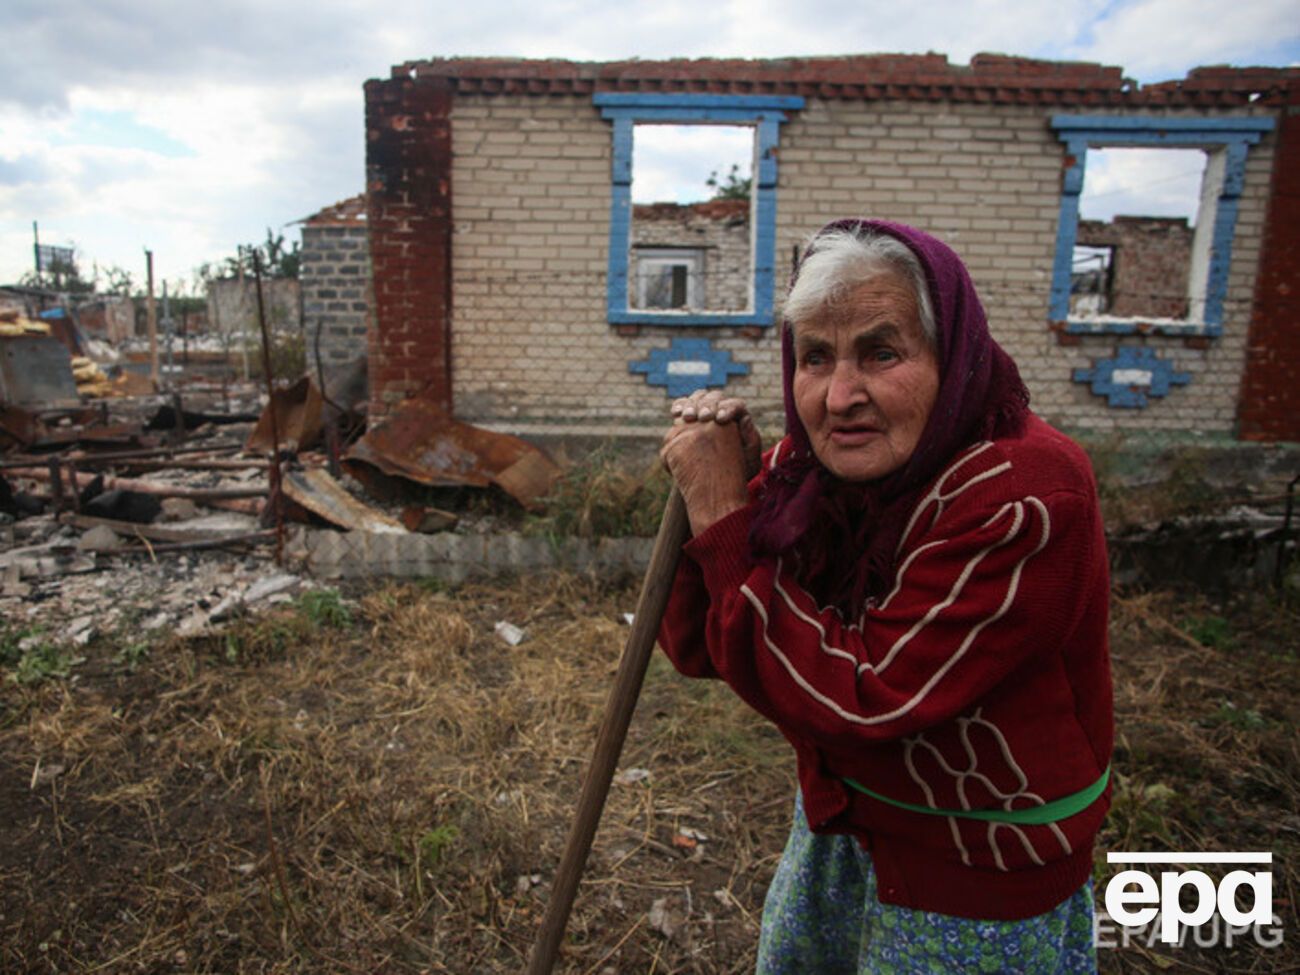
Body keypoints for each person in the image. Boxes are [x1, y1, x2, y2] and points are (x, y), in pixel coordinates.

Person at [657, 219, 1113, 974]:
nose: (840, 396)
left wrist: (723, 514)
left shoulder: (1025, 496)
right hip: (842, 828)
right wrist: (730, 494)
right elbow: (703, 641)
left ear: (952, 354)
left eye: (881, 352)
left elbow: (866, 697)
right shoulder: (819, 476)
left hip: (974, 871)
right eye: (814, 358)